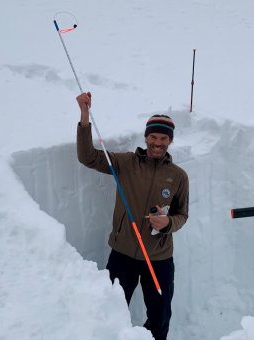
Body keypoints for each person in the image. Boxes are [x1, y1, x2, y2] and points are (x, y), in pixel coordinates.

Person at [76, 92, 189, 340]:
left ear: (170, 140)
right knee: (111, 315)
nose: (158, 143)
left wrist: (169, 223)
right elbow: (88, 157)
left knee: (159, 319)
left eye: (163, 138)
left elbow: (182, 214)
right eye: (153, 137)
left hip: (159, 259)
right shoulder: (125, 163)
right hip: (122, 255)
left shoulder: (178, 176)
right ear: (146, 137)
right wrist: (85, 118)